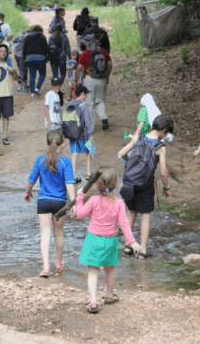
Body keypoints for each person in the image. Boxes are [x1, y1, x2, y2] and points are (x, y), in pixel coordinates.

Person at [73, 169, 141, 313]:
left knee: (93, 271)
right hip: (110, 241)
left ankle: (93, 302)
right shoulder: (119, 203)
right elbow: (124, 224)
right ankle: (109, 296)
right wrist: (132, 241)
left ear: (97, 185)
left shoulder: (93, 200)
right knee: (110, 269)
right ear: (115, 185)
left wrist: (79, 197)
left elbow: (80, 215)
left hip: (93, 240)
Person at [118, 114, 172, 259]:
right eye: (166, 134)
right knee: (145, 216)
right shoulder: (160, 147)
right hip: (145, 185)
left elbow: (122, 153)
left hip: (130, 182)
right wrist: (166, 188)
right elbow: (163, 172)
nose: (165, 137)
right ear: (163, 131)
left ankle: (128, 246)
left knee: (131, 213)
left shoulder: (138, 137)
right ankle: (142, 251)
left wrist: (131, 165)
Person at [24, 131, 77, 277]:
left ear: (47, 145)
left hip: (44, 201)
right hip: (60, 202)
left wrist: (27, 192)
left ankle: (46, 267)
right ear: (63, 144)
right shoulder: (65, 162)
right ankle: (59, 263)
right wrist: (73, 203)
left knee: (45, 234)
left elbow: (31, 180)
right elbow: (70, 183)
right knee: (58, 234)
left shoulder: (40, 160)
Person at [74, 34, 113, 130]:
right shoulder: (103, 51)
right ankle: (104, 119)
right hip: (102, 79)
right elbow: (109, 63)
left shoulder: (86, 53)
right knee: (100, 100)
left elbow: (79, 68)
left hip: (90, 79)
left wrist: (76, 80)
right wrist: (107, 76)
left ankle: (90, 126)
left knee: (89, 103)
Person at [66, 85, 94, 183]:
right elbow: (88, 121)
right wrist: (90, 134)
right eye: (86, 94)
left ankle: (74, 176)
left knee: (74, 154)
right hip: (83, 135)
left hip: (72, 134)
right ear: (82, 94)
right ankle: (88, 173)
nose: (86, 96)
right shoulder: (84, 105)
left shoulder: (69, 103)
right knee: (88, 151)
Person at [22, 24, 49, 97]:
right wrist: (48, 57)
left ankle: (32, 93)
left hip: (30, 58)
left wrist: (24, 57)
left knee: (32, 76)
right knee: (42, 74)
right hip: (41, 57)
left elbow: (24, 48)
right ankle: (37, 88)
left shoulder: (27, 37)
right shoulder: (42, 37)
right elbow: (46, 47)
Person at [12, 28, 31, 93]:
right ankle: (19, 87)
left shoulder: (19, 36)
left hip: (17, 54)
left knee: (23, 69)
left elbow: (14, 41)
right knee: (23, 71)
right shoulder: (28, 37)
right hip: (23, 55)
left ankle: (26, 84)